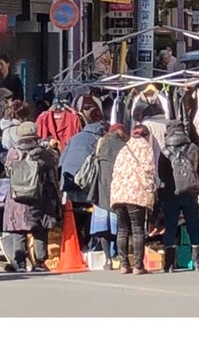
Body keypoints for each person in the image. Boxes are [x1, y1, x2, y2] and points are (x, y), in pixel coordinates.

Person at [1, 122, 62, 272]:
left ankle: (20, 263)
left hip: (16, 198)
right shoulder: (41, 152)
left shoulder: (12, 153)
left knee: (18, 229)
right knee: (39, 229)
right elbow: (54, 163)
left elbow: (8, 171)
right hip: (37, 197)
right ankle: (40, 262)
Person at [161, 119, 199, 272]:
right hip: (190, 192)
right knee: (193, 227)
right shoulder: (192, 148)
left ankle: (169, 265)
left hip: (171, 193)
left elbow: (161, 173)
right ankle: (197, 264)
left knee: (170, 227)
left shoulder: (165, 151)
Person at [109, 124, 156, 274]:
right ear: (146, 135)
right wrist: (151, 192)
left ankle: (124, 265)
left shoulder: (123, 149)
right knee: (137, 229)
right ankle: (138, 266)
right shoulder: (146, 148)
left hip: (118, 194)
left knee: (122, 229)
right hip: (136, 194)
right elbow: (148, 172)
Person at [59, 117, 106, 249]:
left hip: (68, 178)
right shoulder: (98, 140)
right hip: (86, 181)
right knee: (89, 211)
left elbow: (62, 160)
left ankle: (77, 243)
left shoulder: (75, 137)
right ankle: (89, 243)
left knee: (73, 212)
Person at [87, 123, 127, 267]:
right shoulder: (124, 146)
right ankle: (119, 257)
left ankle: (107, 259)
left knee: (103, 228)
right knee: (120, 228)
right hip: (118, 190)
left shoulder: (101, 143)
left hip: (100, 189)